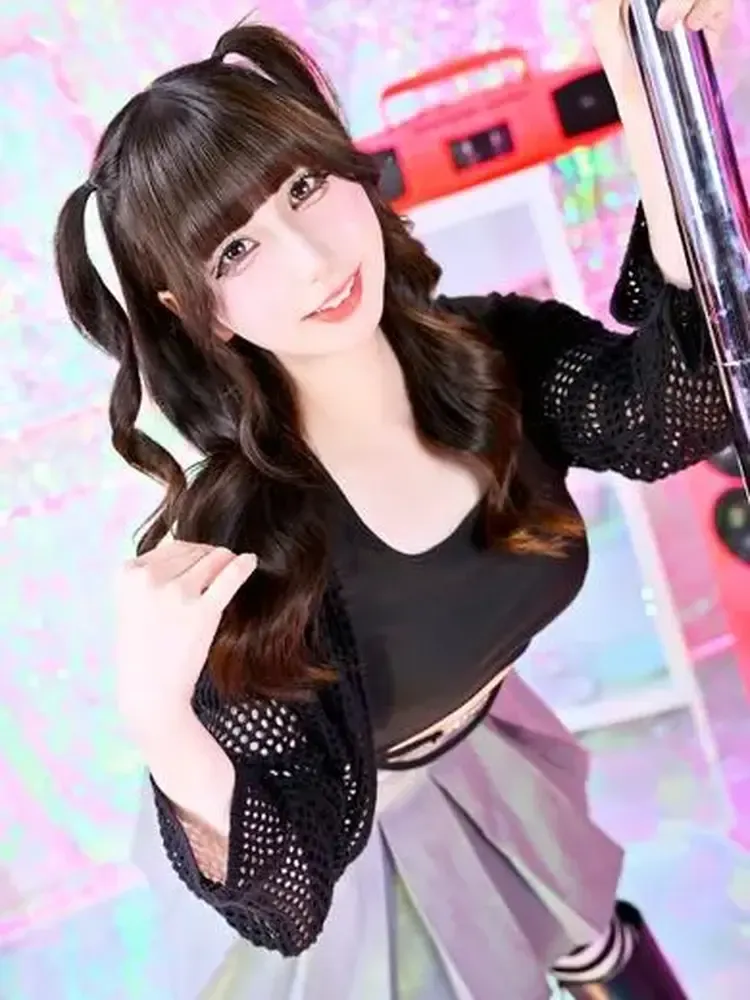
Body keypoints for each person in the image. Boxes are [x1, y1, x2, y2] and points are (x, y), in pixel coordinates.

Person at [53, 0, 734, 996]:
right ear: (195, 311)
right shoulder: (249, 553)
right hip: (351, 847)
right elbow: (288, 896)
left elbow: (671, 413)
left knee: (599, 952)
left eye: (303, 187)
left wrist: (639, 78)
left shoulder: (485, 358)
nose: (314, 259)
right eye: (235, 251)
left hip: (495, 751)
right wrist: (158, 716)